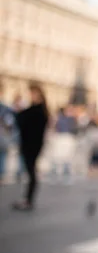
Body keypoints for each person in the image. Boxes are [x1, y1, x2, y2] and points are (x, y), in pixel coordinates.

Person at [12, 83, 49, 211]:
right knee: (31, 171)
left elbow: (21, 120)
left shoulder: (37, 110)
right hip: (32, 144)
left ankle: (28, 200)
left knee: (31, 171)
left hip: (31, 145)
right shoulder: (39, 110)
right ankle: (27, 199)